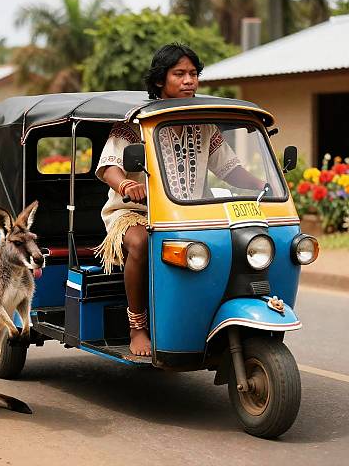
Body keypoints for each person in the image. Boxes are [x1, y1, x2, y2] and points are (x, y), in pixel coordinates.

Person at [95, 43, 264, 356]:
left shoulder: (203, 123)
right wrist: (126, 185)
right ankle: (138, 327)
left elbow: (231, 170)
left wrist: (264, 185)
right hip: (133, 213)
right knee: (141, 244)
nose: (189, 80)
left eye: (193, 74)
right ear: (161, 80)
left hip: (187, 214)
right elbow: (108, 167)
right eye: (180, 74)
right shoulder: (137, 123)